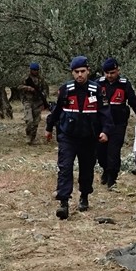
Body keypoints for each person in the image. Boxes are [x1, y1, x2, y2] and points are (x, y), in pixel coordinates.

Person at [44, 56, 111, 219]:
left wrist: (106, 131)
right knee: (65, 168)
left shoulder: (97, 90)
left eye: (82, 71)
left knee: (86, 169)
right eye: (76, 72)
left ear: (88, 71)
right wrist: (49, 128)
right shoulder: (66, 89)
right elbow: (57, 110)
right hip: (68, 136)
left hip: (89, 137)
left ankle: (84, 196)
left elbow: (105, 113)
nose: (80, 75)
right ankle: (64, 203)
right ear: (72, 73)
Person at [96, 57, 136, 188]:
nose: (109, 76)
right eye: (107, 73)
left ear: (118, 70)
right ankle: (105, 169)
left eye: (112, 73)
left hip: (118, 124)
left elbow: (134, 102)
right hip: (101, 124)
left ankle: (112, 178)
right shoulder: (98, 84)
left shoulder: (124, 84)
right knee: (100, 152)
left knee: (114, 151)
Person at [18, 62, 50, 145]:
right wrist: (28, 88)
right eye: (34, 70)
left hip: (38, 102)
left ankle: (32, 138)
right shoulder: (26, 78)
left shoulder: (41, 79)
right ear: (31, 70)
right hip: (28, 101)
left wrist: (43, 99)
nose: (35, 72)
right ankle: (28, 136)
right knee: (29, 120)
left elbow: (45, 90)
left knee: (36, 121)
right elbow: (19, 87)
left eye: (37, 70)